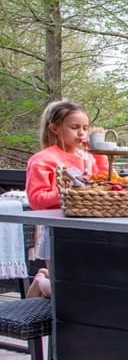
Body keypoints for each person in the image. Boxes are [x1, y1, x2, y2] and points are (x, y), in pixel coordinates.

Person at [24, 100, 110, 298]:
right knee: (64, 291)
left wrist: (101, 156)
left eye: (85, 128)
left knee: (83, 286)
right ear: (54, 128)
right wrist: (68, 191)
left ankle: (46, 280)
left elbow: (104, 183)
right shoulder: (43, 160)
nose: (81, 133)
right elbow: (36, 199)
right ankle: (42, 281)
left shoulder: (87, 157)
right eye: (74, 127)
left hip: (88, 230)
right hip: (58, 231)